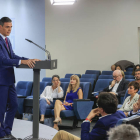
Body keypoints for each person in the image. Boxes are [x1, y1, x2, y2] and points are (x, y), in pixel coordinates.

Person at [0, 17, 40, 139]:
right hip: (1, 81)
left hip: (10, 80)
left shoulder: (7, 40)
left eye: (11, 27)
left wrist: (28, 60)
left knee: (14, 105)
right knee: (1, 109)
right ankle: (1, 134)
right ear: (0, 26)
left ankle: (7, 131)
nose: (10, 29)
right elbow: (3, 60)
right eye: (7, 26)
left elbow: (13, 56)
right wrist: (22, 61)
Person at [52, 92, 126, 140]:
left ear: (101, 109)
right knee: (61, 133)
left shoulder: (103, 122)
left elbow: (85, 138)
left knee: (60, 134)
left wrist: (88, 119)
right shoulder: (121, 114)